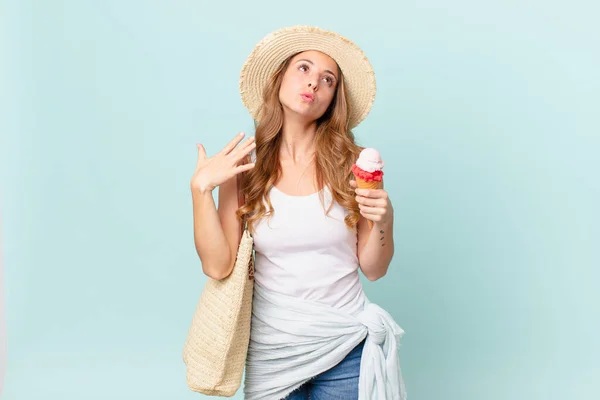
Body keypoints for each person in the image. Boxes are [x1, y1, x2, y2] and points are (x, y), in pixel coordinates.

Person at [190, 26, 406, 400]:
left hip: (344, 344)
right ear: (279, 80)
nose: (314, 84)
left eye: (328, 79)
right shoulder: (245, 166)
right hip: (272, 350)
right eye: (303, 69)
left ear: (332, 98)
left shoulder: (352, 164)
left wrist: (384, 221)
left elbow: (374, 268)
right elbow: (218, 265)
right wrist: (200, 191)